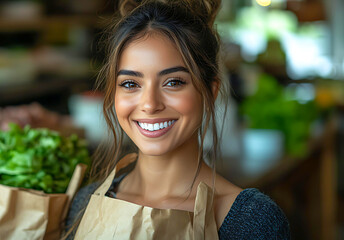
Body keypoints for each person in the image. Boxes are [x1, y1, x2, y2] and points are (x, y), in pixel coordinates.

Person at [65, 0, 290, 239]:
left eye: (173, 82)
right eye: (130, 84)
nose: (150, 104)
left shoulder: (253, 221)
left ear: (210, 91)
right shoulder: (84, 202)